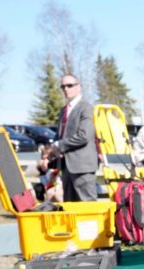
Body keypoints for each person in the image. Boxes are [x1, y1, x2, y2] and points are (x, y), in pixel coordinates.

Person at [49, 73, 98, 201]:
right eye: (63, 86)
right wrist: (54, 148)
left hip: (82, 167)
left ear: (79, 87)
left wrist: (60, 145)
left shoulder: (86, 108)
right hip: (66, 167)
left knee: (88, 209)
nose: (66, 89)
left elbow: (84, 136)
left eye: (70, 85)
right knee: (70, 208)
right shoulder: (64, 110)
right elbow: (60, 135)